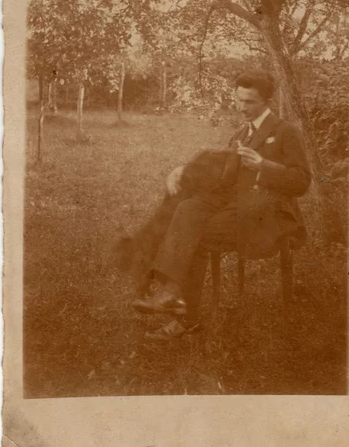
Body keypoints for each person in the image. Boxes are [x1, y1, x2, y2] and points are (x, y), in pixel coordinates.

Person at [132, 71, 311, 340]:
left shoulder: (285, 131)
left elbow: (302, 181)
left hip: (271, 214)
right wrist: (183, 170)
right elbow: (224, 179)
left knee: (197, 233)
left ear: (266, 100)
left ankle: (180, 311)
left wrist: (264, 165)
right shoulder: (241, 132)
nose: (242, 107)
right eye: (239, 100)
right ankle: (172, 294)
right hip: (238, 206)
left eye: (249, 102)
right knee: (188, 209)